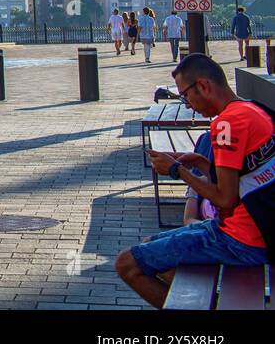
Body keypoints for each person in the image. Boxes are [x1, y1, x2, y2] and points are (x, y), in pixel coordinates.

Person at [116, 53, 275, 308]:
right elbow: (247, 175)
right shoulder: (253, 109)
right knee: (150, 247)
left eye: (186, 95)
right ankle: (199, 303)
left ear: (203, 86)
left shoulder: (226, 124)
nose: (188, 104)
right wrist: (201, 163)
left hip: (241, 240)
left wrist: (177, 170)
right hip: (258, 230)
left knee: (127, 264)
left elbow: (226, 198)